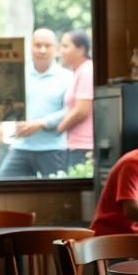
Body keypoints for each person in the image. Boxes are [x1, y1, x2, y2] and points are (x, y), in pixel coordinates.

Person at [0, 28, 70, 179]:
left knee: (57, 195)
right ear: (30, 47)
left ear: (56, 50)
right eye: (37, 45)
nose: (42, 50)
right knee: (4, 183)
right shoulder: (17, 75)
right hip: (21, 147)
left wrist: (41, 123)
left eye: (47, 45)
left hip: (53, 148)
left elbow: (70, 110)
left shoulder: (67, 77)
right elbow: (6, 107)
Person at [57, 29, 93, 171]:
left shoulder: (87, 70)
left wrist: (60, 127)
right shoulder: (79, 71)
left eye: (66, 46)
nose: (61, 51)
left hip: (84, 146)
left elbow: (82, 110)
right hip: (76, 145)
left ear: (81, 49)